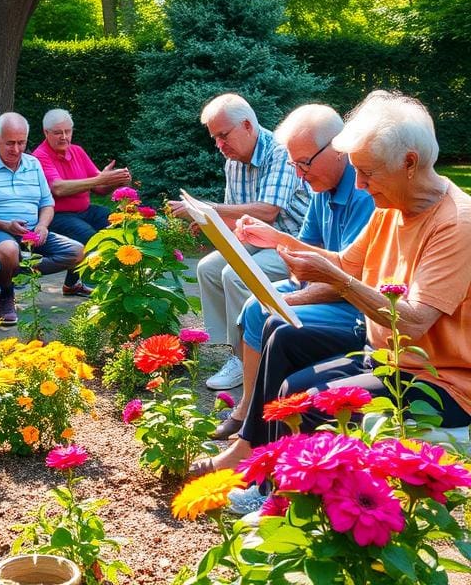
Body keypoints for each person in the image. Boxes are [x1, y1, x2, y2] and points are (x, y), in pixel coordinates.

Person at [198, 91, 471, 478]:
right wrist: (278, 241)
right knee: (289, 371)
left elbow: (410, 322)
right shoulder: (392, 207)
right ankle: (262, 465)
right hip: (385, 358)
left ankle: (283, 497)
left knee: (309, 403)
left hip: (439, 381)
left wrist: (339, 282)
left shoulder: (456, 224)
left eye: (368, 172)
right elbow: (346, 263)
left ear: (409, 163)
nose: (358, 184)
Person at [210, 104, 374, 439]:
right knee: (254, 306)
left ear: (338, 148)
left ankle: (257, 422)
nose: (299, 174)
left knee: (272, 315)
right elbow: (302, 256)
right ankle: (248, 409)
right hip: (332, 287)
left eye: (304, 163)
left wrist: (295, 294)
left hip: (357, 303)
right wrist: (275, 242)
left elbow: (356, 278)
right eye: (294, 164)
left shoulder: (363, 193)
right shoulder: (320, 188)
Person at [167, 93, 308, 391]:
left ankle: (246, 360)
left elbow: (268, 211)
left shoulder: (280, 152)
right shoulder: (233, 161)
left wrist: (209, 208)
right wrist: (208, 222)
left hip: (292, 242)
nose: (219, 145)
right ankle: (230, 350)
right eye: (215, 138)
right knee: (207, 267)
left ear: (246, 125)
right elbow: (235, 219)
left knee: (235, 275)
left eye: (223, 135)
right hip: (256, 237)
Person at [0, 112, 83, 326]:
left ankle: (13, 272)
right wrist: (4, 225)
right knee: (8, 250)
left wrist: (42, 225)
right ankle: (7, 294)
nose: (17, 149)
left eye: (21, 143)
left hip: (29, 232)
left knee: (76, 252)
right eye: (10, 143)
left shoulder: (33, 164)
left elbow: (47, 204)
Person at [31, 108, 132, 296]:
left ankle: (73, 285)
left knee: (120, 223)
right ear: (46, 133)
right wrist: (101, 179)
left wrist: (115, 181)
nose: (64, 137)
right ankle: (103, 288)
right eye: (58, 132)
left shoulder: (77, 151)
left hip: (84, 210)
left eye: (67, 131)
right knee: (90, 238)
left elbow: (99, 189)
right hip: (55, 215)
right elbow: (58, 188)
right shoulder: (40, 156)